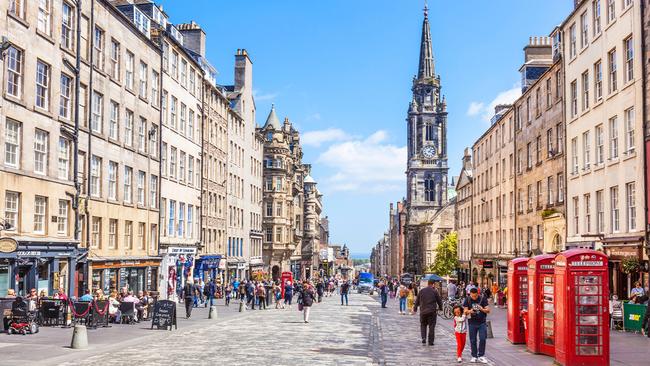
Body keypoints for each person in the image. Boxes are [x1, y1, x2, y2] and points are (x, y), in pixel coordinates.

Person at [463, 287, 490, 363]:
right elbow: (465, 311)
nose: (474, 298)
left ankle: (481, 355)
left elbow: (488, 310)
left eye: (475, 296)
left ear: (478, 294)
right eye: (472, 296)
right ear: (470, 294)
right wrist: (470, 311)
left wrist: (481, 309)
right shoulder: (467, 299)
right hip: (472, 323)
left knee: (483, 339)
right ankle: (474, 356)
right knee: (473, 340)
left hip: (482, 322)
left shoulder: (483, 299)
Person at [413, 278, 443, 346]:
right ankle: (430, 341)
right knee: (431, 326)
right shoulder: (435, 291)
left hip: (423, 311)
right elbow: (439, 301)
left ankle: (423, 337)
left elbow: (417, 300)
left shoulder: (421, 291)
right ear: (433, 284)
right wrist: (441, 308)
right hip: (432, 311)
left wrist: (415, 309)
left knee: (423, 325)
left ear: (428, 283)